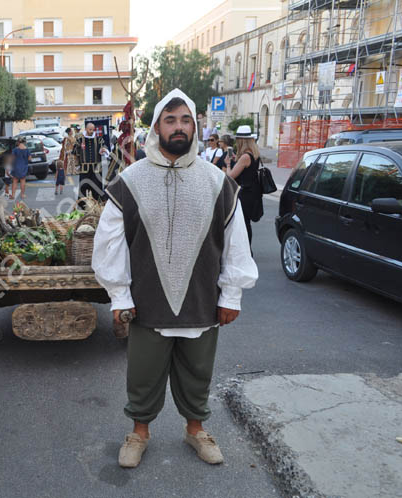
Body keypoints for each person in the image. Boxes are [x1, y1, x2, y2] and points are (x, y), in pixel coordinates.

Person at [92, 89, 258, 469]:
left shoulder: (218, 182)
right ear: (157, 127)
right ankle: (139, 433)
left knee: (198, 371)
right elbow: (109, 244)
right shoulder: (129, 181)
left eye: (185, 120)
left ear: (195, 126)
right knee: (143, 373)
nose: (179, 127)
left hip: (202, 300)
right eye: (170, 120)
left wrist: (231, 294)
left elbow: (236, 241)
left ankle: (195, 429)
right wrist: (120, 296)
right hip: (147, 302)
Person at [227, 125, 263, 246]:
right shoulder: (254, 154)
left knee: (244, 224)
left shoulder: (245, 157)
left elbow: (230, 176)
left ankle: (247, 251)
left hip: (245, 193)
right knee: (246, 223)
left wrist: (228, 164)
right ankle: (248, 250)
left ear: (241, 140)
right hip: (253, 192)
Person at [75, 122, 107, 200]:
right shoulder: (80, 140)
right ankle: (83, 204)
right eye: (90, 129)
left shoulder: (99, 139)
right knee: (83, 186)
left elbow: (104, 148)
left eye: (93, 129)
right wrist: (77, 165)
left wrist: (103, 150)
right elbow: (76, 152)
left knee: (96, 186)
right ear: (86, 129)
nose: (92, 131)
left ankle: (97, 204)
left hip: (96, 168)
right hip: (84, 168)